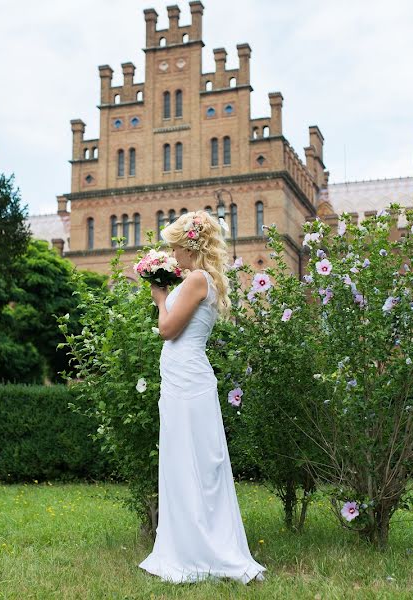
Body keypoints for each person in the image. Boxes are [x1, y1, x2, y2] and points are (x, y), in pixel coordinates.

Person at [138, 210, 267, 585]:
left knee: (192, 462)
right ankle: (187, 545)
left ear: (190, 246)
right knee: (185, 462)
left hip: (188, 382)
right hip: (183, 379)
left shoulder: (196, 279)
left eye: (175, 247)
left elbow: (166, 329)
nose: (172, 254)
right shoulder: (201, 279)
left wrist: (159, 297)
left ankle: (200, 551)